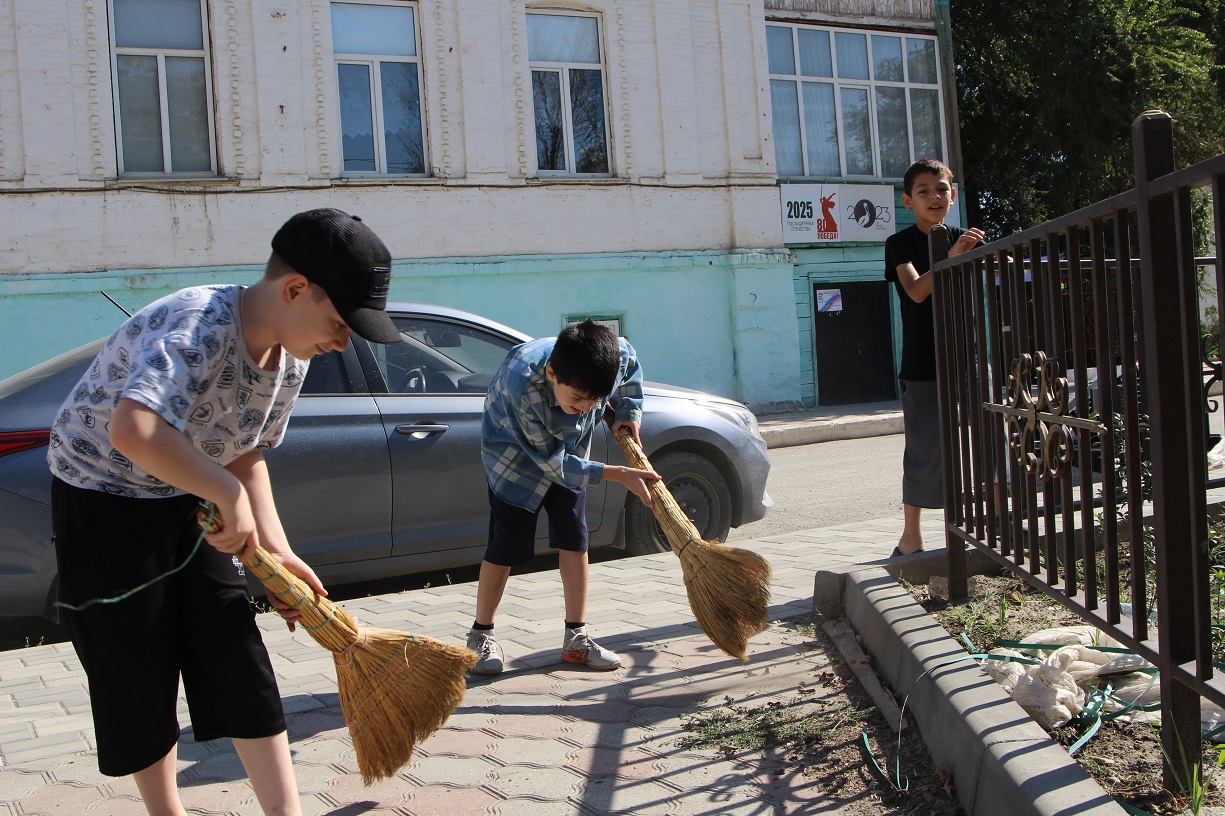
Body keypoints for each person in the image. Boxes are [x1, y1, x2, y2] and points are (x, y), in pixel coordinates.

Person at [47, 208, 401, 816]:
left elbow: (246, 451)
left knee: (237, 653)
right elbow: (135, 431)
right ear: (294, 290)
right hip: (103, 503)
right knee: (136, 670)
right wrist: (226, 496)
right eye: (342, 324)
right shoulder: (197, 326)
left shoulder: (293, 358)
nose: (344, 342)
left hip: (188, 492)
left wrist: (278, 547)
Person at [466, 319, 660, 675]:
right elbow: (551, 462)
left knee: (575, 538)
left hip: (571, 452)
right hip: (515, 457)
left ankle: (576, 640)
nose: (586, 408)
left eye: (595, 401)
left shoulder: (614, 356)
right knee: (506, 546)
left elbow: (630, 370)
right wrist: (616, 474)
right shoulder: (522, 384)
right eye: (577, 398)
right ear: (553, 373)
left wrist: (628, 414)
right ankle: (480, 636)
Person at [885, 159, 985, 556]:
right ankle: (911, 538)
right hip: (923, 364)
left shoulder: (968, 238)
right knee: (924, 450)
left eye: (941, 189)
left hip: (968, 358)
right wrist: (953, 255)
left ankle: (991, 528)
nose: (934, 197)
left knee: (987, 444)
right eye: (924, 191)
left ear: (953, 194)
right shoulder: (901, 243)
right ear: (909, 201)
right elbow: (917, 291)